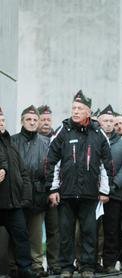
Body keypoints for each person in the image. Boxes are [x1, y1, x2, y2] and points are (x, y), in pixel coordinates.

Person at [46, 91, 113, 278]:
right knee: (65, 233)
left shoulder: (99, 133)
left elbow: (106, 165)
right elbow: (51, 162)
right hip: (66, 194)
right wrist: (53, 189)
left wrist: (105, 190)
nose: (75, 111)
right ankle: (66, 267)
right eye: (73, 108)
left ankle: (87, 267)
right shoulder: (62, 131)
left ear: (88, 112)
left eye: (80, 108)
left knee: (89, 233)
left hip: (90, 194)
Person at [11, 106, 50, 277]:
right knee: (17, 232)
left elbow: (51, 168)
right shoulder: (11, 141)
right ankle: (14, 266)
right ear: (22, 121)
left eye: (35, 120)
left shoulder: (46, 142)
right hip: (17, 193)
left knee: (36, 233)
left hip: (38, 193)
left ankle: (36, 266)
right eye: (29, 119)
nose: (32, 122)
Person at [0, 107, 38, 278]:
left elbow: (24, 174)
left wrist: (26, 198)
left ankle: (25, 270)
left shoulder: (11, 145)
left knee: (22, 236)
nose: (1, 124)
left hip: (14, 203)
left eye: (2, 121)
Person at [97, 105, 122, 274]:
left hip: (114, 194)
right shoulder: (93, 139)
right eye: (105, 121)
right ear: (99, 122)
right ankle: (91, 262)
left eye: (112, 121)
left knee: (112, 230)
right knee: (92, 230)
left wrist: (112, 186)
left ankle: (109, 263)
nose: (109, 124)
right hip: (93, 194)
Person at [36, 105, 61, 275]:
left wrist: (55, 188)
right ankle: (36, 264)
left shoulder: (57, 138)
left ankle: (54, 264)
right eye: (43, 119)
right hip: (36, 192)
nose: (46, 123)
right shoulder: (32, 138)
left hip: (54, 191)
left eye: (48, 120)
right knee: (36, 232)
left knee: (54, 230)